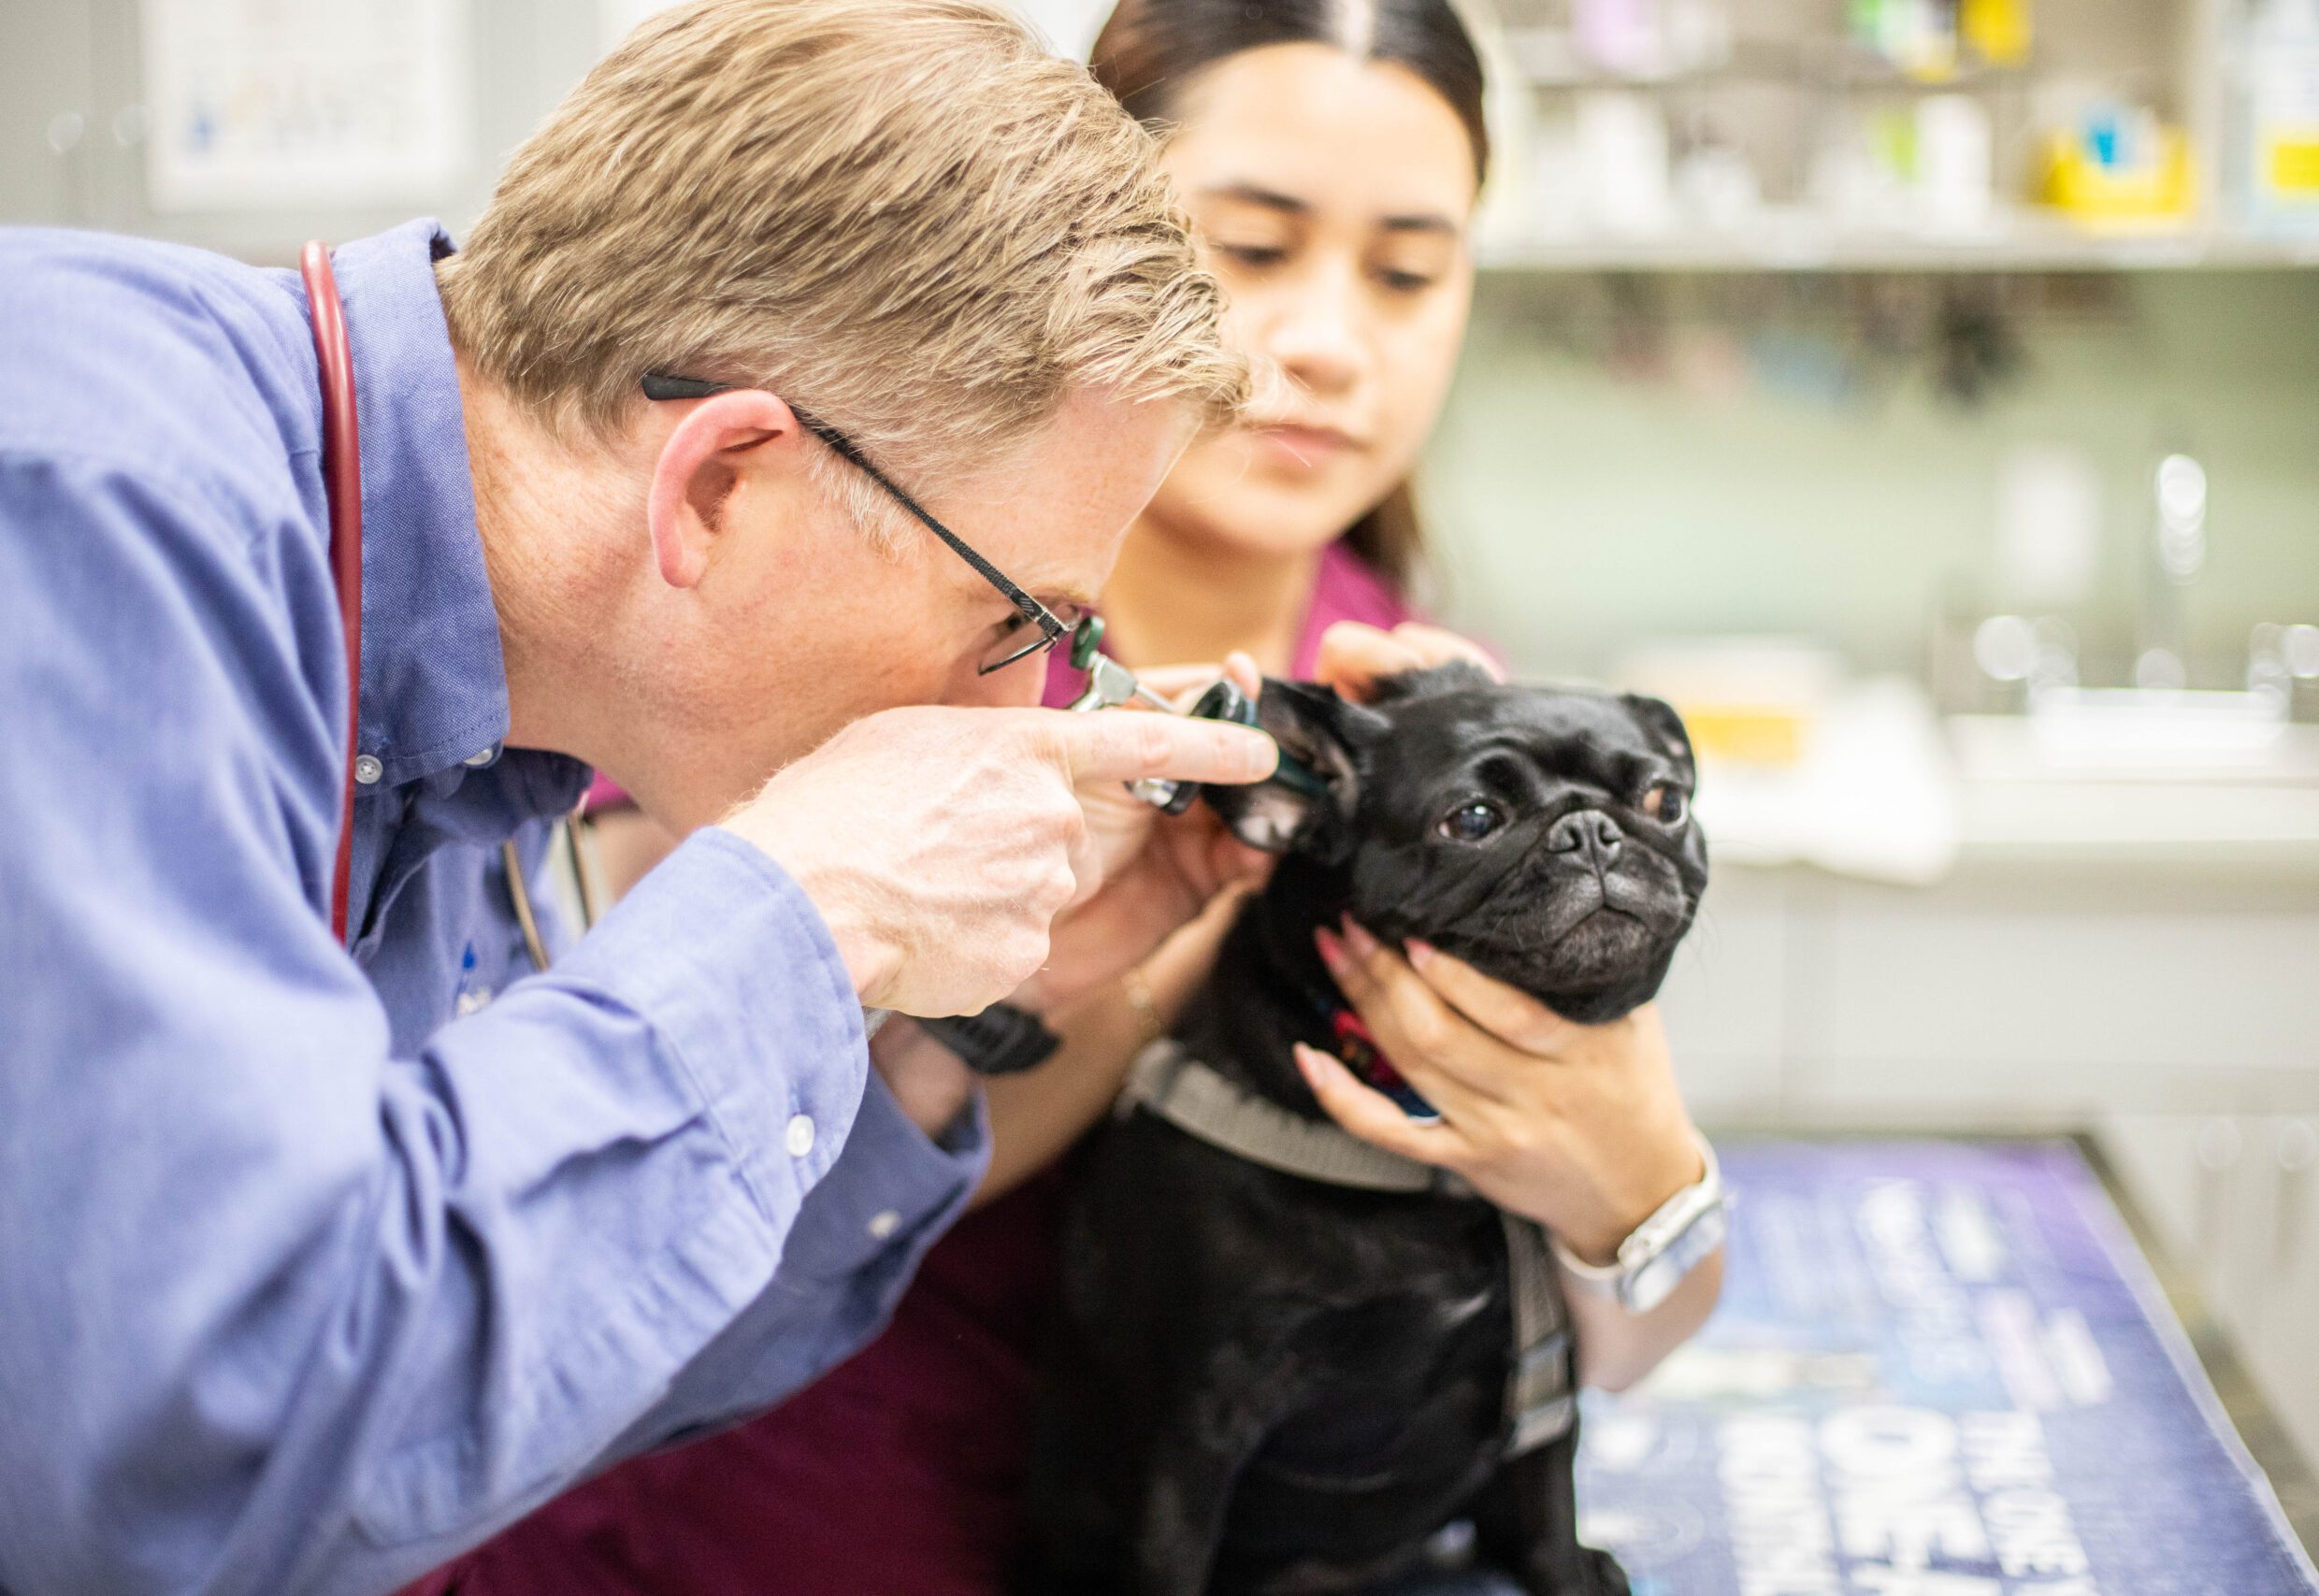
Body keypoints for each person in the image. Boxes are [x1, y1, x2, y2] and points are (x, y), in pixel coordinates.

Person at [0, 4, 1310, 1593]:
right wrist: (817, 900)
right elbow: (186, 1456)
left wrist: (939, 1009)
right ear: (719, 484)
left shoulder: (464, 725)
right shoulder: (87, 495)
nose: (1027, 706)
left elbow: (479, 1397)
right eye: (1019, 622)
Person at [423, 4, 1723, 1594]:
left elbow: (1605, 1341)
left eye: (1407, 271)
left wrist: (1639, 1174)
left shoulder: (1435, 720)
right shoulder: (831, 632)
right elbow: (649, 1194)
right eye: (1252, 248)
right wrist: (1214, 917)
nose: (1330, 340)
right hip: (775, 1536)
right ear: (1101, 253)